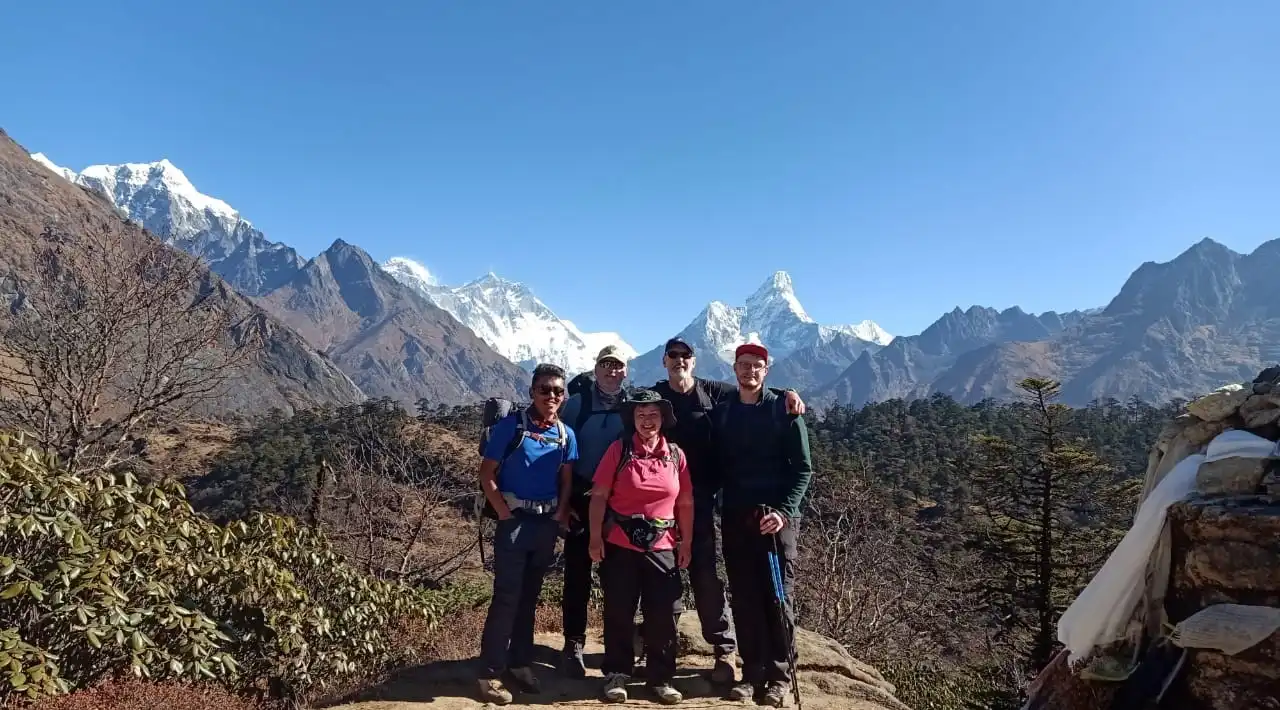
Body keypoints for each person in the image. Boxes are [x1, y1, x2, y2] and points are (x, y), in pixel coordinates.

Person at [647, 336, 806, 685]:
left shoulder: (722, 396)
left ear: (694, 360)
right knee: (735, 592)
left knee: (727, 584)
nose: (679, 360)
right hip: (690, 507)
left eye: (685, 355)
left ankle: (751, 664)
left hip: (732, 508)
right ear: (664, 361)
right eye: (672, 355)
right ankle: (742, 671)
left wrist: (787, 393)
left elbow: (801, 466)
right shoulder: (674, 399)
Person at [713, 343, 813, 707]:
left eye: (756, 366)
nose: (749, 371)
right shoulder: (724, 413)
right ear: (734, 368)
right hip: (737, 517)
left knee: (776, 597)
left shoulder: (782, 410)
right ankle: (751, 671)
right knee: (744, 597)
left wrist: (785, 512)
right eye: (743, 365)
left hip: (777, 519)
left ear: (766, 370)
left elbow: (803, 469)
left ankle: (779, 675)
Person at [475, 363, 578, 706]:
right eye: (544, 390)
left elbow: (566, 479)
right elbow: (487, 473)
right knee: (507, 597)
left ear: (564, 397)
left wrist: (561, 513)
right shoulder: (511, 427)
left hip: (545, 523)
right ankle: (489, 673)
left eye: (558, 391)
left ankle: (519, 663)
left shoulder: (565, 434)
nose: (551, 396)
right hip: (515, 522)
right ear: (532, 392)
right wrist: (503, 512)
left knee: (529, 597)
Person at [589, 388, 693, 705]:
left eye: (653, 415)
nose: (647, 420)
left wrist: (686, 540)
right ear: (632, 419)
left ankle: (660, 678)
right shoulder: (618, 450)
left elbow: (685, 502)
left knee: (664, 613)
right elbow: (598, 497)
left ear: (663, 419)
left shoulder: (676, 455)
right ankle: (616, 674)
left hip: (663, 545)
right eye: (640, 415)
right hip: (620, 544)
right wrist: (595, 538)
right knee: (619, 611)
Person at [556, 344, 631, 676]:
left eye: (617, 366)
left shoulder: (634, 406)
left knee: (620, 578)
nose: (612, 371)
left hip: (620, 503)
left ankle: (618, 646)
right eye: (606, 365)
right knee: (577, 574)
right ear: (595, 368)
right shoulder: (576, 405)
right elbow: (558, 454)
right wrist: (564, 502)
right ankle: (573, 644)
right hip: (581, 500)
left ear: (625, 370)